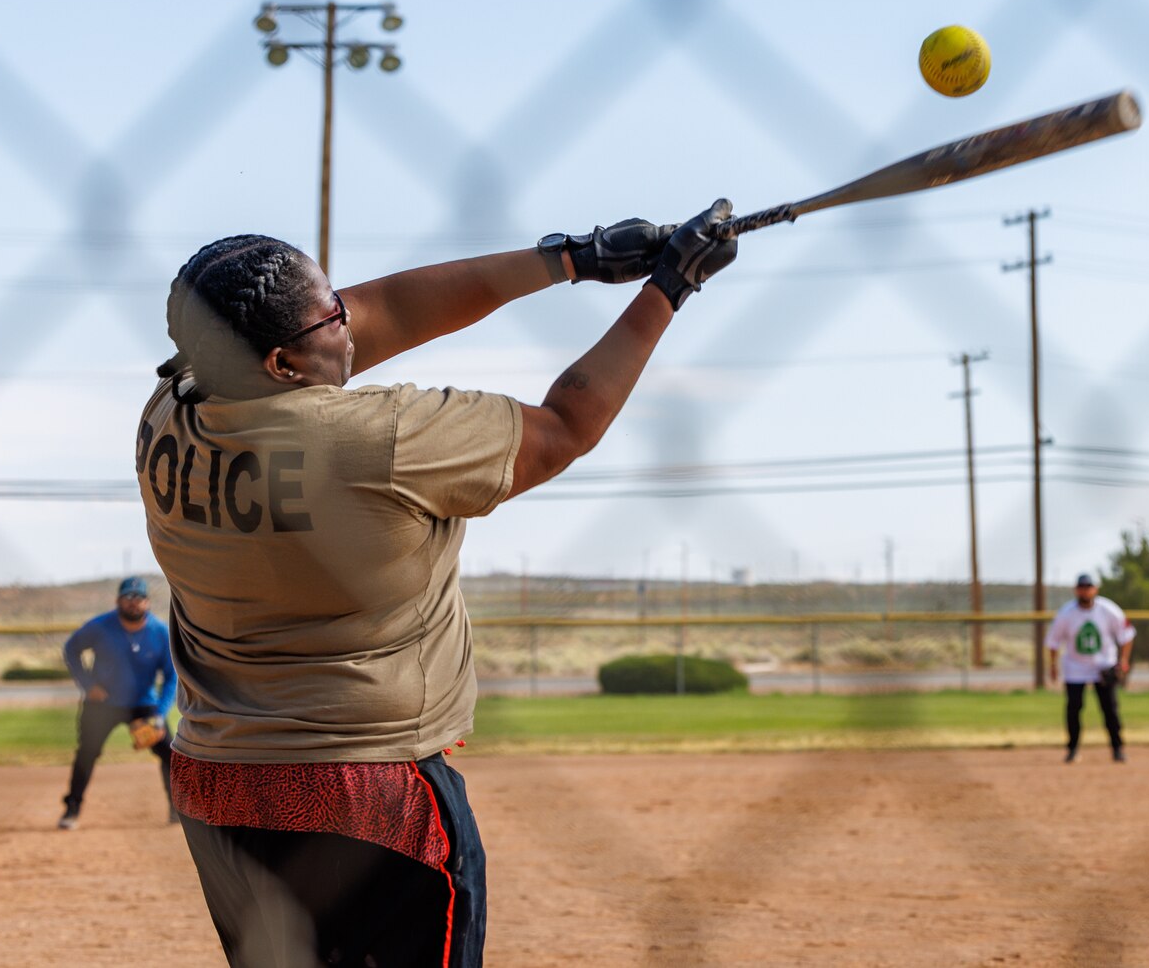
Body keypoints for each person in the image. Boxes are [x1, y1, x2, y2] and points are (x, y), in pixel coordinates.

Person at [140, 208, 738, 968]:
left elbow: (387, 308)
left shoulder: (171, 410)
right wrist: (667, 288)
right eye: (331, 316)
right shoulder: (377, 441)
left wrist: (573, 259)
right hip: (367, 793)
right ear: (284, 365)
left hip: (220, 785)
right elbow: (564, 425)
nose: (350, 322)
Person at [59, 575, 178, 829]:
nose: (133, 603)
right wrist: (88, 684)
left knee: (169, 753)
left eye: (139, 598)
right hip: (103, 704)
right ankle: (72, 808)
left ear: (147, 602)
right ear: (118, 601)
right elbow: (71, 649)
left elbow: (171, 677)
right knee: (87, 753)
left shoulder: (160, 633)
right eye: (128, 597)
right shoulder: (100, 627)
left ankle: (177, 809)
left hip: (143, 704)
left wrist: (159, 713)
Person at [1045, 572, 1134, 763]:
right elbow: (1053, 642)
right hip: (1075, 666)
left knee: (1110, 709)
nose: (1085, 591)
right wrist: (1052, 666)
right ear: (1076, 590)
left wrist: (1123, 660)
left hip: (1104, 664)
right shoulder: (1066, 613)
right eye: (1081, 587)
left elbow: (1126, 635)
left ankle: (1117, 748)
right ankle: (1073, 749)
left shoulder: (1109, 609)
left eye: (1088, 587)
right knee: (1074, 709)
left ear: (1095, 589)